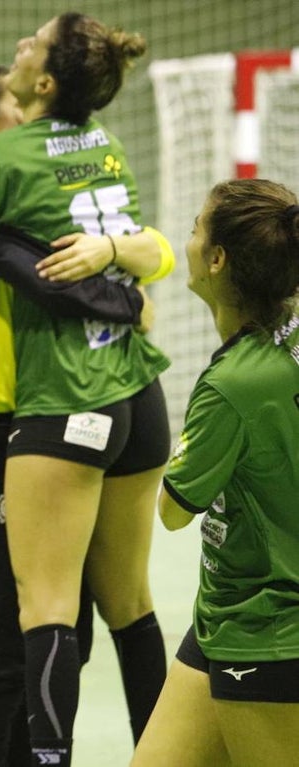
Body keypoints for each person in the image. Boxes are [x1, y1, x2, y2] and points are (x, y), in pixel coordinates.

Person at [0, 67, 175, 766]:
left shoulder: (46, 206)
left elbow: (151, 268)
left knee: (66, 622)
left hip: (57, 426)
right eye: (22, 106)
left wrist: (121, 276)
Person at [131, 180, 299, 767]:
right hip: (221, 617)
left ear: (219, 259)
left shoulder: (231, 388)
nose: (190, 237)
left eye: (198, 228)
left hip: (270, 628)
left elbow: (174, 510)